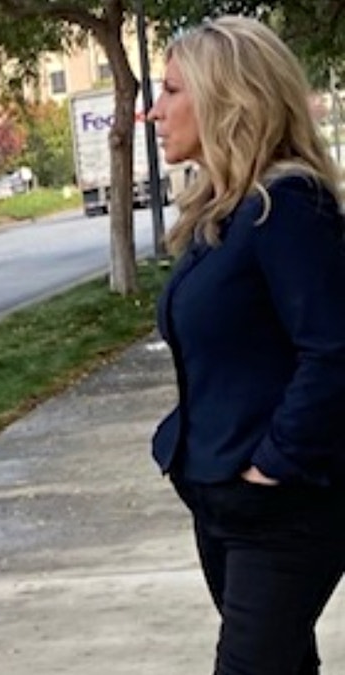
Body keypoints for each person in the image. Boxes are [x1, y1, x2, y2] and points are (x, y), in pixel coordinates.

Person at [148, 16, 345, 675]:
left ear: (228, 97)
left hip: (282, 506)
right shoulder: (227, 209)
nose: (154, 110)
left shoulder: (288, 206)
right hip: (223, 500)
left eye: (172, 90)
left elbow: (335, 351)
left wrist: (273, 462)